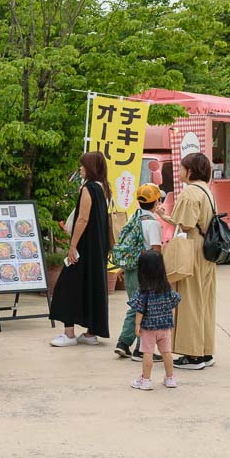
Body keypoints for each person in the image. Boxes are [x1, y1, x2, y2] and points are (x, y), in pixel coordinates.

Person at [159, 152, 217, 370]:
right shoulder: (206, 190)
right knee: (205, 302)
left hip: (191, 249)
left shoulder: (190, 192)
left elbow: (184, 225)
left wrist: (167, 217)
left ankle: (193, 355)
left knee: (190, 301)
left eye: (182, 168)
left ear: (190, 170)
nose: (180, 171)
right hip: (207, 250)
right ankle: (206, 351)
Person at [49, 152, 111, 346]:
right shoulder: (104, 188)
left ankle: (68, 334)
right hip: (98, 246)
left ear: (91, 168)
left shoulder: (88, 189)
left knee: (67, 285)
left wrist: (72, 246)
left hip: (84, 246)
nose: (80, 169)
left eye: (83, 166)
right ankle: (91, 332)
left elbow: (83, 219)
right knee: (92, 285)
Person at [113, 184, 164, 361]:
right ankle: (140, 349)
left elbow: (129, 246)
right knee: (144, 308)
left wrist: (123, 266)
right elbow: (156, 251)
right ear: (156, 202)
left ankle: (125, 344)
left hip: (129, 269)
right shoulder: (152, 224)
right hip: (144, 272)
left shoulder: (134, 218)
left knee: (136, 306)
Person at [128, 251, 181, 390]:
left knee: (148, 353)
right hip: (165, 327)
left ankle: (145, 380)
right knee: (167, 353)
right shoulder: (167, 287)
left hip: (148, 328)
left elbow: (139, 309)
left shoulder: (144, 290)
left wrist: (137, 325)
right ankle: (170, 378)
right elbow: (173, 304)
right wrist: (171, 321)